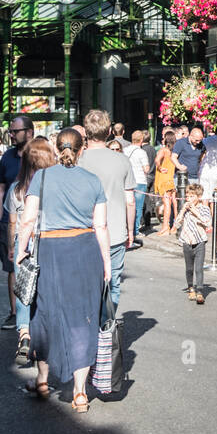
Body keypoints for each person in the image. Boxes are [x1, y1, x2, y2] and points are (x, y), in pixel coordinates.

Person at [15, 128, 111, 414]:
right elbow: (101, 226)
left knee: (45, 315)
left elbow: (28, 219)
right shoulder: (93, 181)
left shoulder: (42, 177)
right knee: (84, 318)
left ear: (57, 150)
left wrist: (21, 251)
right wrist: (106, 263)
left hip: (50, 251)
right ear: (81, 151)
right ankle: (80, 393)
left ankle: (43, 381)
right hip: (84, 251)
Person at [80, 109, 136, 314]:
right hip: (115, 232)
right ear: (110, 131)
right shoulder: (122, 160)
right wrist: (131, 231)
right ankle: (106, 327)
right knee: (113, 284)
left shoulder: (78, 160)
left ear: (86, 132)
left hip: (84, 233)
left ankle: (88, 328)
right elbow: (130, 201)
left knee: (86, 284)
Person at [8, 137, 55, 366]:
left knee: (24, 290)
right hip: (50, 239)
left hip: (24, 241)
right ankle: (45, 337)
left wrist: (14, 247)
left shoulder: (17, 189)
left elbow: (14, 222)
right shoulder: (55, 185)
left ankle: (24, 334)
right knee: (45, 289)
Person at [0, 116, 34, 330]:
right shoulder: (8, 156)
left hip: (36, 222)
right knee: (12, 268)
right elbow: (0, 187)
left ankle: (34, 312)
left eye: (15, 131)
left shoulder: (40, 152)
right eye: (10, 131)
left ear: (29, 132)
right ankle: (15, 312)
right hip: (10, 220)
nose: (10, 134)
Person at [173, 182, 212, 304]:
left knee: (199, 268)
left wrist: (196, 212)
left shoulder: (204, 209)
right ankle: (191, 288)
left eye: (192, 196)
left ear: (198, 197)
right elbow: (177, 224)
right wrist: (182, 211)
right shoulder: (185, 210)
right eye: (187, 196)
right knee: (189, 268)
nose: (189, 199)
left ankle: (200, 291)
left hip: (199, 241)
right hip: (187, 241)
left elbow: (207, 223)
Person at [126, 130, 152, 244]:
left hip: (127, 181)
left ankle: (127, 229)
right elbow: (146, 169)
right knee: (137, 207)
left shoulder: (125, 150)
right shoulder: (141, 152)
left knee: (127, 205)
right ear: (141, 140)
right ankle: (135, 231)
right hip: (140, 181)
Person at [154, 129, 179, 235]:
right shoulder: (174, 152)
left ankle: (165, 227)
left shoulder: (163, 150)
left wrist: (160, 167)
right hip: (172, 179)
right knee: (175, 202)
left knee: (167, 203)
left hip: (164, 179)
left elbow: (156, 160)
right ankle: (176, 225)